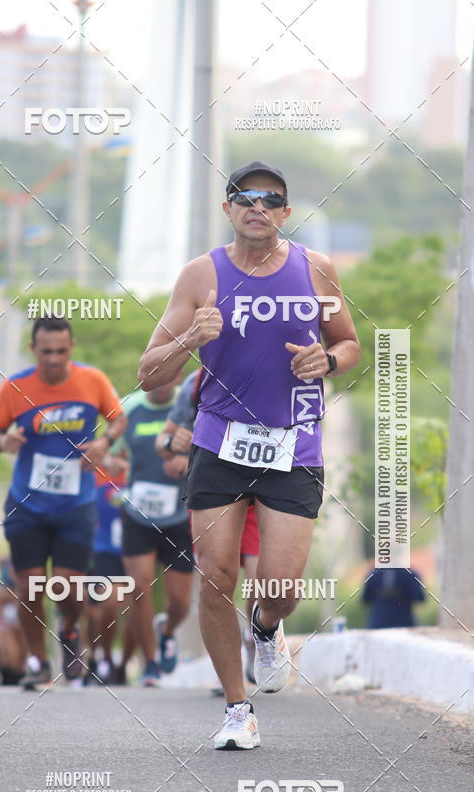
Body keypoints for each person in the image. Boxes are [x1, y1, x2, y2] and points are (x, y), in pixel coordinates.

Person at [138, 160, 360, 748]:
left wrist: (328, 362)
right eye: (244, 196)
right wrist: (192, 338)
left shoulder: (317, 270)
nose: (256, 205)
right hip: (220, 443)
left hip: (295, 443)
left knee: (281, 588)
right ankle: (238, 712)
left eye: (270, 198)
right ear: (228, 207)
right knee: (215, 576)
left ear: (285, 212)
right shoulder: (198, 277)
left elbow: (349, 342)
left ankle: (266, 627)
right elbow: (147, 375)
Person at [0, 316, 126, 689]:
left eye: (61, 351)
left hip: (75, 506)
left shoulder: (92, 381)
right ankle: (36, 660)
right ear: (34, 350)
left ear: (71, 348)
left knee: (67, 586)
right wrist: (3, 443)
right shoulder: (17, 386)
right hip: (26, 505)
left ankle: (68, 631)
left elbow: (118, 419)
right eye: (46, 351)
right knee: (31, 586)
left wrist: (104, 443)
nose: (53, 359)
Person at [156, 367, 260, 684]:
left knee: (262, 585)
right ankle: (225, 672)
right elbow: (163, 441)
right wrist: (174, 442)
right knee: (216, 583)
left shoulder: (271, 367)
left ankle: (254, 644)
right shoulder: (196, 381)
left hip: (262, 492)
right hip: (212, 492)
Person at [112, 382, 194, 686]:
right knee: (139, 587)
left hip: (180, 514)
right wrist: (115, 463)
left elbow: (212, 448)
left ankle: (168, 630)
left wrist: (188, 462)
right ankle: (150, 664)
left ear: (178, 378)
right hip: (137, 511)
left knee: (180, 601)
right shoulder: (127, 407)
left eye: (169, 377)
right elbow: (110, 452)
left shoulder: (189, 402)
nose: (162, 385)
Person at [84, 456, 129, 686]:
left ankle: (113, 660)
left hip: (133, 552)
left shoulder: (140, 470)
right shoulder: (94, 474)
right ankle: (94, 656)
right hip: (100, 550)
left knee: (120, 606)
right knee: (95, 612)